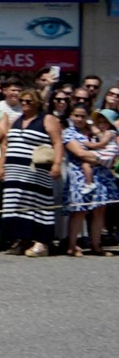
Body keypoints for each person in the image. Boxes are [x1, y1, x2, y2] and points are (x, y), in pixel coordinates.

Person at [0, 87, 62, 257]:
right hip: (14, 171)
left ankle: (42, 242)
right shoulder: (16, 120)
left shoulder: (47, 119)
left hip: (36, 171)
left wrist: (57, 164)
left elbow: (57, 142)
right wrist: (1, 166)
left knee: (38, 203)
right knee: (15, 204)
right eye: (22, 101)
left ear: (37, 103)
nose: (25, 104)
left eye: (29, 101)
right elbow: (5, 144)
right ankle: (22, 239)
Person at [60, 104, 111, 257]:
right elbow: (80, 153)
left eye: (83, 116)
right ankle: (72, 246)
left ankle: (96, 245)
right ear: (71, 116)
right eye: (76, 115)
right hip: (79, 174)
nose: (79, 119)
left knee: (99, 209)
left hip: (100, 174)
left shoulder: (93, 131)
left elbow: (110, 144)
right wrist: (103, 158)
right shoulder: (69, 133)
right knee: (79, 210)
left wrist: (94, 129)